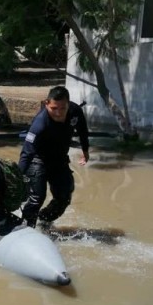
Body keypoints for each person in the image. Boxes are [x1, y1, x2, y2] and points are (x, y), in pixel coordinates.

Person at [18, 85, 89, 228]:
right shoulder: (40, 123)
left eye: (63, 108)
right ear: (46, 104)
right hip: (38, 160)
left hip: (59, 160)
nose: (58, 113)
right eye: (54, 108)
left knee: (64, 196)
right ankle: (26, 228)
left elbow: (83, 131)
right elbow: (27, 152)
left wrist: (85, 151)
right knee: (37, 197)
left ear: (69, 104)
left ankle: (43, 220)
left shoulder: (75, 112)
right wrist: (18, 176)